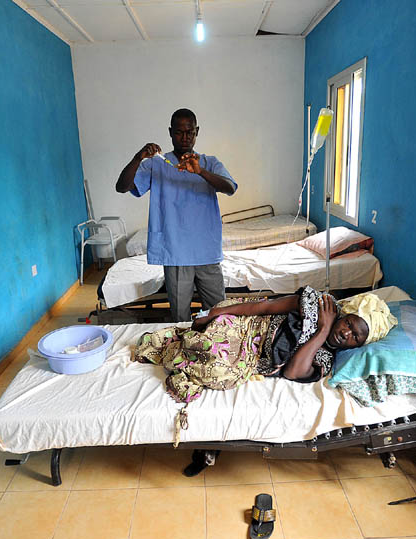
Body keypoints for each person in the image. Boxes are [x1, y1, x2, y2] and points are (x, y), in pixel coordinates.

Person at [135, 287, 397, 403]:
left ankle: (178, 354)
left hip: (251, 356)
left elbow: (294, 371)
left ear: (358, 346)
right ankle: (177, 344)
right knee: (210, 329)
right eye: (349, 324)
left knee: (216, 371)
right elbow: (267, 305)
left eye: (356, 337)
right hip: (250, 325)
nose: (347, 333)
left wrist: (324, 330)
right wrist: (217, 314)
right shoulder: (317, 304)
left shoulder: (326, 360)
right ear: (346, 313)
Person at [116, 108, 237, 322]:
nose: (185, 137)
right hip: (176, 252)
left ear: (197, 132)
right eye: (179, 132)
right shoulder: (157, 164)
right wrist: (138, 158)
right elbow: (122, 186)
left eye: (189, 132)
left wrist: (200, 172)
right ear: (171, 133)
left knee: (219, 314)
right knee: (180, 317)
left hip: (206, 251)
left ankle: (217, 350)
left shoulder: (208, 163)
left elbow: (230, 188)